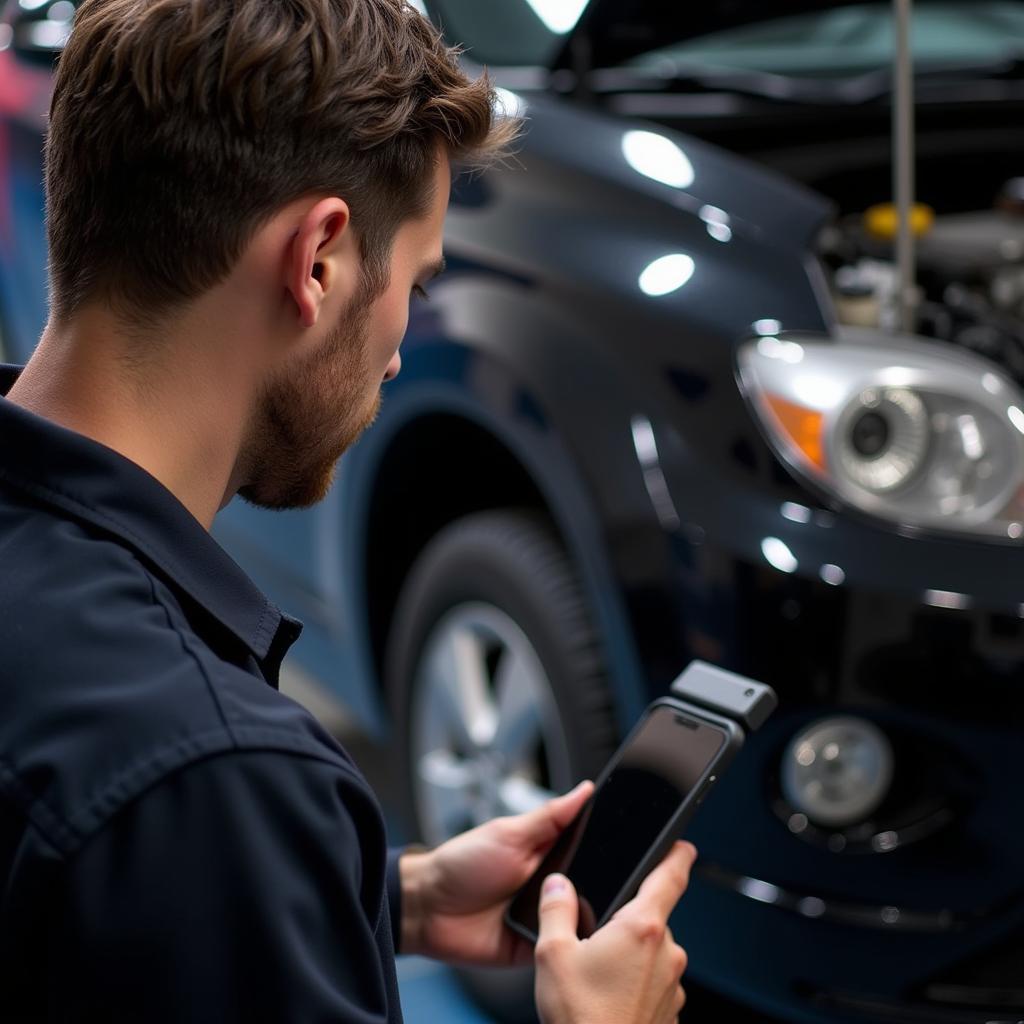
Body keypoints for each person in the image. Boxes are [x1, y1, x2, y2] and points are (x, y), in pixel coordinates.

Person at [0, 1, 696, 1021]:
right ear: (318, 261)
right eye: (411, 281)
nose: (399, 346)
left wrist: (392, 896)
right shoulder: (209, 773)